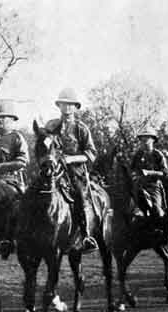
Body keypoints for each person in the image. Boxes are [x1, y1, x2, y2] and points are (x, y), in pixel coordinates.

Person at [44, 88, 98, 251]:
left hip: (75, 172)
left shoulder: (81, 128)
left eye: (70, 105)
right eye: (63, 104)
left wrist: (71, 159)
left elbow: (91, 154)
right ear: (59, 106)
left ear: (75, 107)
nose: (67, 108)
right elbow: (43, 144)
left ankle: (86, 235)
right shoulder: (51, 125)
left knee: (80, 196)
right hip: (54, 169)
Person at [0, 100, 29, 258]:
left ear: (12, 120)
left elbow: (23, 162)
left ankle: (7, 240)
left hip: (12, 181)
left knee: (10, 204)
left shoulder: (17, 138)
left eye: (3, 118)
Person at [130, 126, 168, 219]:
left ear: (153, 139)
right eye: (142, 138)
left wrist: (150, 172)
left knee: (158, 211)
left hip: (154, 186)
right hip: (139, 186)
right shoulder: (137, 155)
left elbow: (165, 173)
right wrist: (134, 176)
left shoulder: (158, 155)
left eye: (147, 137)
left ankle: (160, 229)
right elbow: (132, 170)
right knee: (132, 211)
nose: (144, 140)